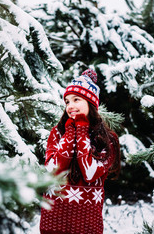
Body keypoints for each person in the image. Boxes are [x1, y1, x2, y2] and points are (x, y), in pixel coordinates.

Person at [39, 69, 121, 234]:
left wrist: (82, 131)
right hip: (53, 220)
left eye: (76, 100)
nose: (70, 106)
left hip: (86, 224)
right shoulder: (58, 133)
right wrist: (69, 134)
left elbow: (90, 173)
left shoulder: (107, 139)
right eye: (67, 102)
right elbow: (54, 172)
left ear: (91, 104)